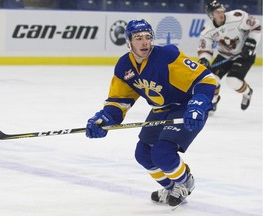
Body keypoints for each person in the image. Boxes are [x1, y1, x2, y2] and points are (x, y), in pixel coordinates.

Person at [85, 19, 216, 210]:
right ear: (129, 42)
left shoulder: (167, 56)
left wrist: (198, 105)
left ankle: (185, 182)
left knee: (162, 152)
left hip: (185, 109)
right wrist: (104, 119)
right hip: (160, 110)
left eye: (147, 37)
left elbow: (206, 78)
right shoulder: (124, 67)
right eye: (138, 38)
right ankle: (172, 188)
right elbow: (119, 100)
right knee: (143, 154)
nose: (144, 42)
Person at [198, 0, 261, 113]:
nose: (220, 14)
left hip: (245, 54)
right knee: (211, 79)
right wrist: (204, 60)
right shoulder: (207, 30)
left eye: (221, 10)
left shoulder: (237, 17)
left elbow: (256, 26)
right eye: (217, 12)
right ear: (211, 16)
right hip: (224, 55)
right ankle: (213, 101)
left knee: (233, 81)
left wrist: (251, 43)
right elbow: (205, 49)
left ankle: (248, 92)